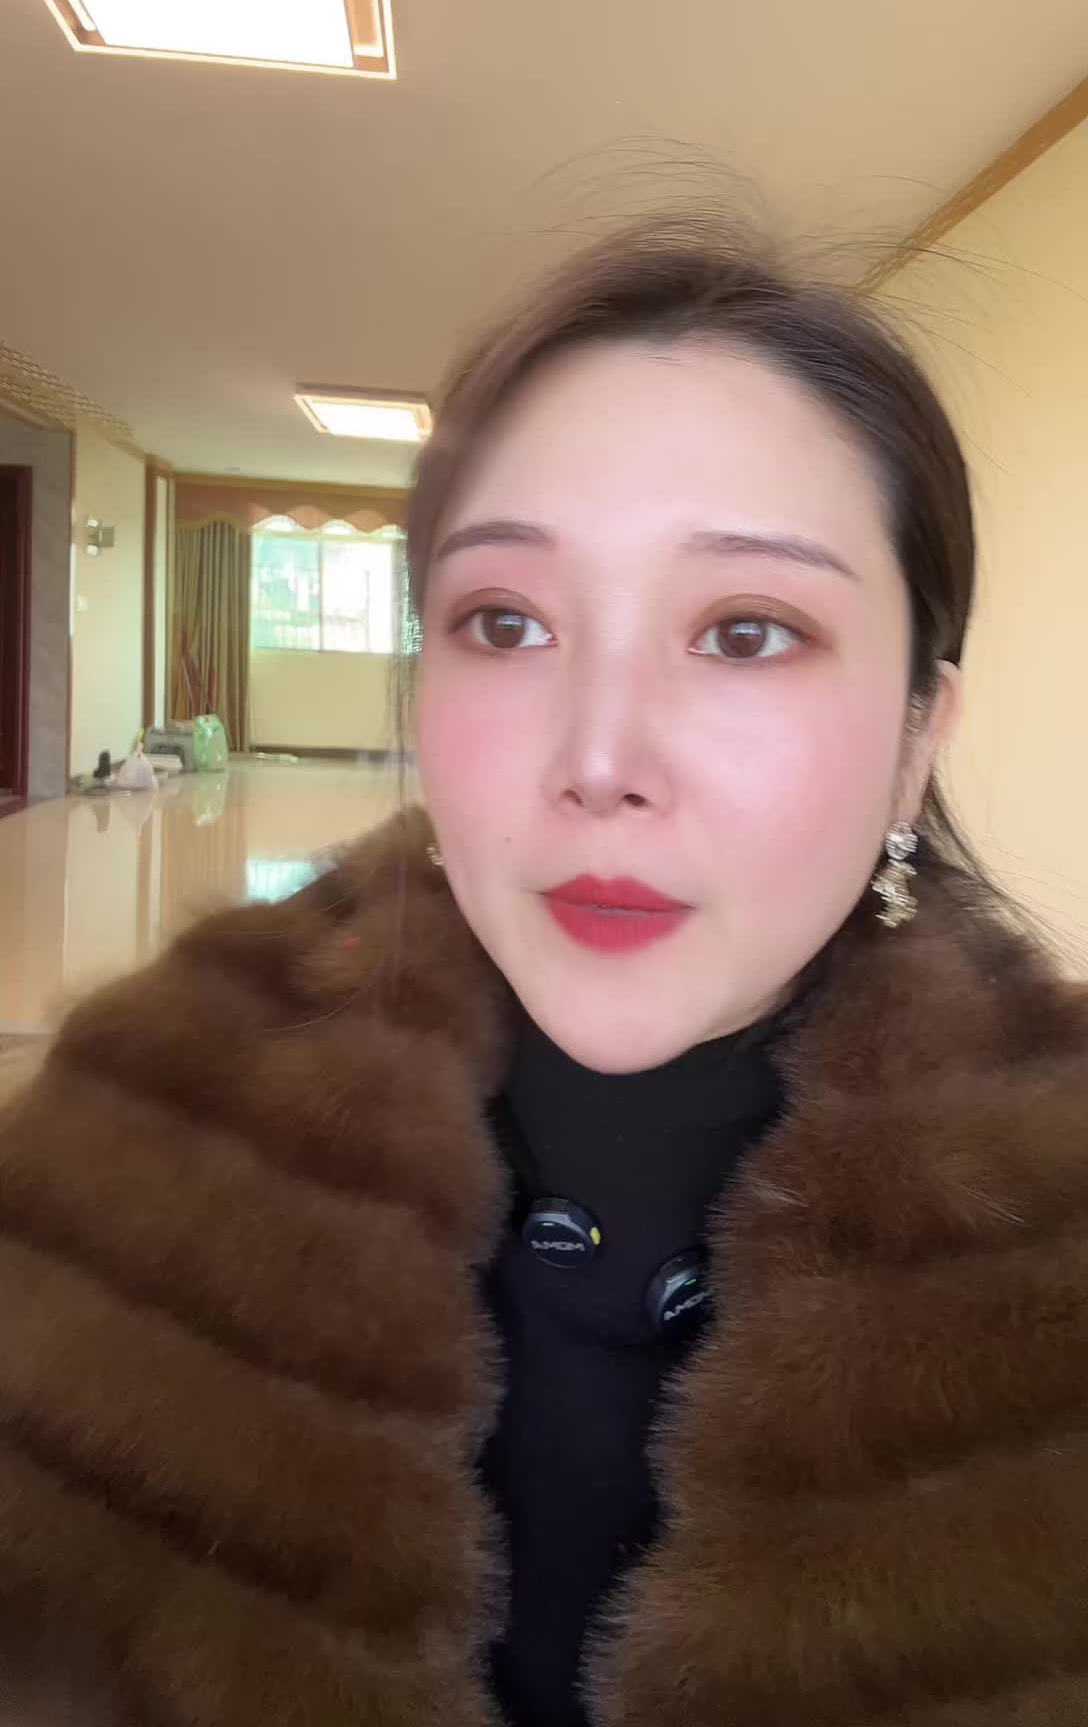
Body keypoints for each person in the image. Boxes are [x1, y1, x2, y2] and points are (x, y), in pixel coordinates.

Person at [1, 218, 1087, 1727]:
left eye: (746, 632)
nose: (596, 758)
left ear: (918, 739)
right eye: (504, 623)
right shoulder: (126, 1150)